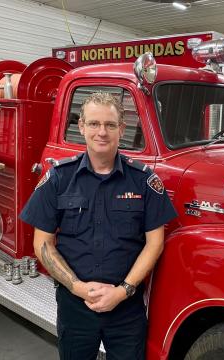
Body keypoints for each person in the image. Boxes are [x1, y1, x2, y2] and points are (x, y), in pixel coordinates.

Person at [19, 92, 177, 360]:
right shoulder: (58, 178)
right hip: (75, 305)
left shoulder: (144, 181)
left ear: (121, 129)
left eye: (110, 125)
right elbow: (42, 244)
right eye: (94, 124)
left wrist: (122, 290)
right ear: (81, 127)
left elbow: (155, 243)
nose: (101, 132)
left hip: (126, 307)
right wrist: (78, 288)